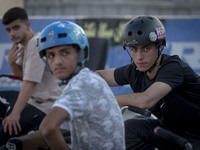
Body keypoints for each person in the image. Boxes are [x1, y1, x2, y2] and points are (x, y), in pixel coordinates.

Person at [0, 21, 125, 150]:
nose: (57, 62)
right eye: (51, 55)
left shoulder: (81, 84)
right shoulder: (83, 80)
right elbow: (59, 130)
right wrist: (16, 143)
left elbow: (47, 129)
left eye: (65, 53)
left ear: (82, 54)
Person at [96, 15, 200, 150]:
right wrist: (77, 84)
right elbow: (98, 76)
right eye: (133, 49)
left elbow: (145, 100)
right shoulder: (135, 70)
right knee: (130, 128)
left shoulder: (173, 67)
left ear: (160, 47)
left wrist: (107, 99)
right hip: (173, 130)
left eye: (146, 48)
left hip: (197, 135)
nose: (139, 57)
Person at [0, 7, 63, 146]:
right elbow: (24, 78)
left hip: (46, 105)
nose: (12, 34)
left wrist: (15, 114)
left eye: (16, 28)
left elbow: (30, 83)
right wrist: (12, 64)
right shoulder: (25, 45)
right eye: (8, 30)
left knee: (5, 131)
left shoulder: (36, 43)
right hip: (34, 99)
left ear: (28, 25)